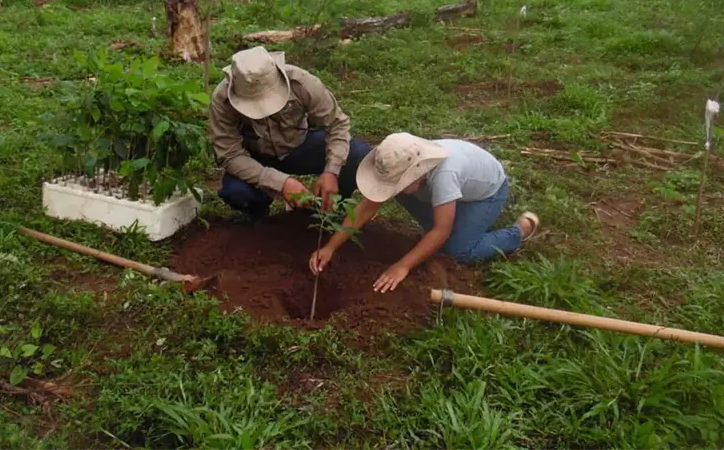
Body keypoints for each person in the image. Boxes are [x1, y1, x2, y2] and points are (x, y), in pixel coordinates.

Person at [309, 132, 539, 293]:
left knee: (458, 250)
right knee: (402, 198)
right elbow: (367, 207)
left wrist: (403, 266)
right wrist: (331, 246)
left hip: (486, 194)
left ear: (417, 173)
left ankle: (518, 231)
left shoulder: (444, 175)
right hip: (444, 192)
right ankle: (462, 223)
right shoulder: (402, 159)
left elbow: (441, 230)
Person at [208, 46, 371, 220]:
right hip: (257, 157)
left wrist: (331, 171)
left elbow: (337, 124)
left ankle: (333, 206)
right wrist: (281, 183)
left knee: (357, 153)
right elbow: (230, 154)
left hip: (301, 146)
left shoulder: (302, 82)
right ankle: (260, 212)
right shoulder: (222, 100)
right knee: (235, 191)